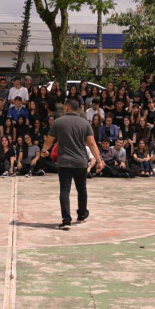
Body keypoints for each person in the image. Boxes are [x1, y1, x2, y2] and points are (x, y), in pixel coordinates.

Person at [41, 98, 103, 231]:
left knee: (64, 190)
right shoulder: (85, 123)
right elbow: (92, 143)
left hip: (64, 162)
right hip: (80, 162)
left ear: (67, 108)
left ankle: (66, 220)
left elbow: (49, 141)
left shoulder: (58, 122)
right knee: (82, 189)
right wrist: (99, 160)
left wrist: (43, 151)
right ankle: (81, 214)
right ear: (78, 109)